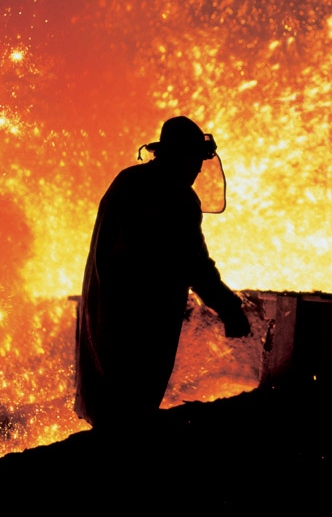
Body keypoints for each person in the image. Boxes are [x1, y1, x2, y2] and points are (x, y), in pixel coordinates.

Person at [75, 116, 251, 429]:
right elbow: (193, 262)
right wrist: (229, 308)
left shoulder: (128, 181)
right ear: (180, 157)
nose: (199, 168)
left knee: (111, 406)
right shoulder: (175, 195)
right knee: (132, 410)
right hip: (141, 319)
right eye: (196, 159)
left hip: (107, 309)